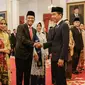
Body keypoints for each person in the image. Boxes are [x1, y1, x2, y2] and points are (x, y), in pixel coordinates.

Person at [34, 7, 69, 85]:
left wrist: (62, 58)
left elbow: (65, 43)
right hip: (54, 57)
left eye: (54, 14)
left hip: (59, 58)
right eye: (52, 14)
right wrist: (42, 45)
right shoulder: (55, 26)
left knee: (61, 79)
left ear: (60, 15)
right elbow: (52, 42)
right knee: (56, 78)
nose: (52, 16)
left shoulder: (64, 25)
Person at [15, 11, 38, 85]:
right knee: (19, 76)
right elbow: (22, 39)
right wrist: (34, 44)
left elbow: (33, 43)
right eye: (29, 18)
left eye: (32, 18)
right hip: (20, 56)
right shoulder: (21, 27)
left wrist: (34, 53)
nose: (30, 19)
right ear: (26, 18)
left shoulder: (34, 30)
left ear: (34, 19)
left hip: (29, 56)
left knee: (27, 76)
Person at [0, 19, 11, 85]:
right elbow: (5, 49)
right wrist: (3, 50)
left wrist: (8, 50)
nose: (3, 25)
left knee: (5, 81)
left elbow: (9, 47)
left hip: (5, 60)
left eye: (4, 23)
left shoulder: (6, 35)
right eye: (1, 23)